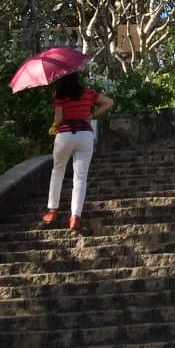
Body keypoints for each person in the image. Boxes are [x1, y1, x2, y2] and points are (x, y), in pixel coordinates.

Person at [41, 71, 113, 232]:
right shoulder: (88, 93)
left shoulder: (60, 95)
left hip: (65, 134)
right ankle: (75, 217)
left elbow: (58, 120)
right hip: (85, 134)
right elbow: (109, 102)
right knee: (80, 177)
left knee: (57, 171)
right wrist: (92, 115)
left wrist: (54, 125)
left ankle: (52, 211)